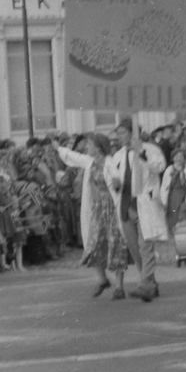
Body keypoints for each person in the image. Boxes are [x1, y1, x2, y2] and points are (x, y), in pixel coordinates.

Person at [57, 134, 132, 299]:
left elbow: (116, 176)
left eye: (89, 145)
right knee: (94, 243)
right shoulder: (90, 162)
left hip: (111, 208)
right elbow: (74, 157)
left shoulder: (109, 161)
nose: (86, 148)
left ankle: (119, 286)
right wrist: (59, 148)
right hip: (97, 208)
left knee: (115, 243)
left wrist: (117, 183)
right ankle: (103, 279)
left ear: (98, 148)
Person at [107, 118, 167, 300]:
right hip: (126, 206)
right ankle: (150, 283)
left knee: (145, 245)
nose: (119, 137)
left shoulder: (150, 149)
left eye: (122, 133)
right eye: (117, 134)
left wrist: (141, 152)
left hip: (144, 203)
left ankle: (145, 284)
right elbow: (113, 177)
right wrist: (115, 185)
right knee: (135, 248)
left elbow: (159, 167)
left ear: (133, 133)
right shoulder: (118, 155)